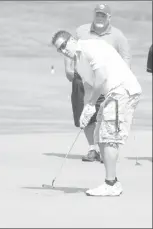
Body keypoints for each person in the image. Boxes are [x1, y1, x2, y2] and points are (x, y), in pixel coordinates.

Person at [51, 30, 142, 196]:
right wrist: (86, 109)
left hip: (123, 90)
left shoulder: (89, 47)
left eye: (64, 45)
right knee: (100, 134)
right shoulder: (78, 62)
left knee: (109, 136)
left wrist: (92, 104)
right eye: (59, 49)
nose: (63, 51)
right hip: (112, 93)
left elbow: (101, 77)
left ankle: (111, 184)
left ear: (72, 40)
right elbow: (92, 85)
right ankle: (112, 182)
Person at [64, 3, 131, 162]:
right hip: (83, 79)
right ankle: (92, 149)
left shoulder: (118, 35)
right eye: (98, 14)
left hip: (107, 81)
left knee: (106, 117)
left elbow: (126, 57)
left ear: (109, 17)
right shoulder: (81, 31)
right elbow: (68, 48)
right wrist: (68, 68)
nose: (100, 18)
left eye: (103, 15)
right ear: (93, 15)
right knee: (86, 115)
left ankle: (105, 150)